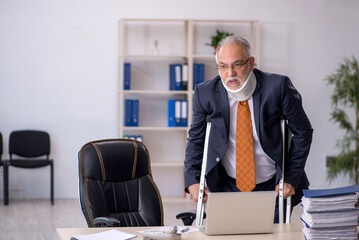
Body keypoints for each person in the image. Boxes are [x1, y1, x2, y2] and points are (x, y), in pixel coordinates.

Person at [184, 36, 313, 223]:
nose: (230, 73)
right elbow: (195, 139)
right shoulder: (206, 93)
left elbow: (303, 132)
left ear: (251, 63)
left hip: (273, 185)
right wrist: (192, 179)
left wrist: (291, 178)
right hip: (226, 184)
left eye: (237, 65)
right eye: (223, 66)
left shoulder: (278, 88)